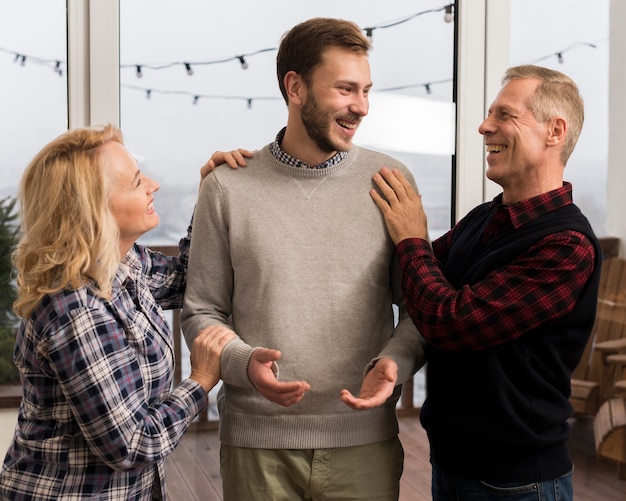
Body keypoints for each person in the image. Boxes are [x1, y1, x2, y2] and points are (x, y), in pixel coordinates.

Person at [181, 17, 426, 501]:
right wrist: (243, 362)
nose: (361, 107)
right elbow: (201, 311)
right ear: (295, 87)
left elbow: (420, 304)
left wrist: (395, 359)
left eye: (366, 91)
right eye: (345, 89)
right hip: (257, 447)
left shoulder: (392, 181)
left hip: (364, 442)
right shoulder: (227, 186)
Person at [370, 64, 603, 500]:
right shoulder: (484, 218)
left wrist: (412, 236)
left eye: (504, 115)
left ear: (555, 131)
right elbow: (409, 279)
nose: (483, 126)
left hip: (519, 483)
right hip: (454, 468)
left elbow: (449, 321)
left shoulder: (567, 245)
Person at [0, 124, 240, 500]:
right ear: (93, 209)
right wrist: (202, 380)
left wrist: (208, 195)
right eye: (137, 182)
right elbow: (131, 443)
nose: (154, 185)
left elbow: (185, 278)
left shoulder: (122, 265)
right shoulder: (75, 308)